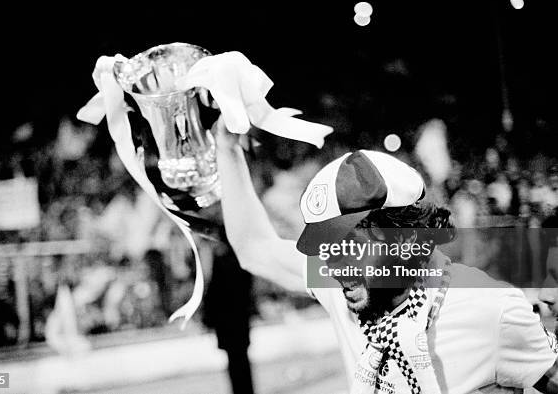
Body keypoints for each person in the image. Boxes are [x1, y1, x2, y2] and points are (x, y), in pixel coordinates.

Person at [213, 115, 558, 393]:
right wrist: (226, 147)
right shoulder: (346, 290)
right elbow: (255, 248)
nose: (334, 264)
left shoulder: (490, 309)